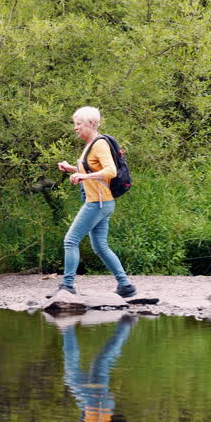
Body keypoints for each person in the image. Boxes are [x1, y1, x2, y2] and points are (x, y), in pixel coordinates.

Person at [48, 106, 136, 299]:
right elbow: (93, 171)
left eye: (78, 124)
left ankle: (67, 286)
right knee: (100, 247)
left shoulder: (99, 144)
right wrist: (72, 169)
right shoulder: (90, 145)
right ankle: (126, 285)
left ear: (91, 124)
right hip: (101, 202)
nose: (75, 128)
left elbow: (110, 171)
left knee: (70, 240)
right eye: (75, 124)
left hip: (98, 203)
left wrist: (82, 176)